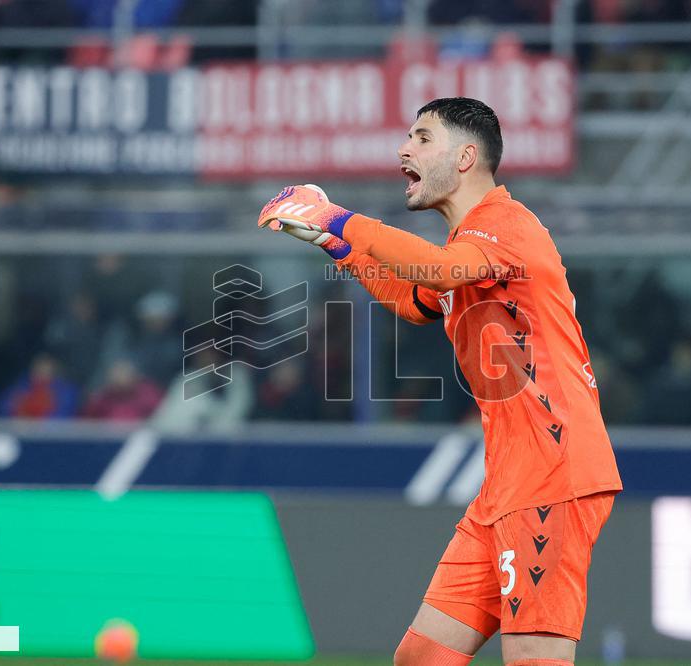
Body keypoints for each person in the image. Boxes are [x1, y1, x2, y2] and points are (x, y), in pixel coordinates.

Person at [257, 97, 622, 666]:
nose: (404, 149)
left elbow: (436, 272)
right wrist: (333, 245)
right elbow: (415, 298)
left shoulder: (507, 226)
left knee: (534, 658)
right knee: (422, 656)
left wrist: (338, 217)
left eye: (423, 138)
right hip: (506, 484)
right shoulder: (468, 245)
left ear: (467, 157)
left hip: (554, 472)